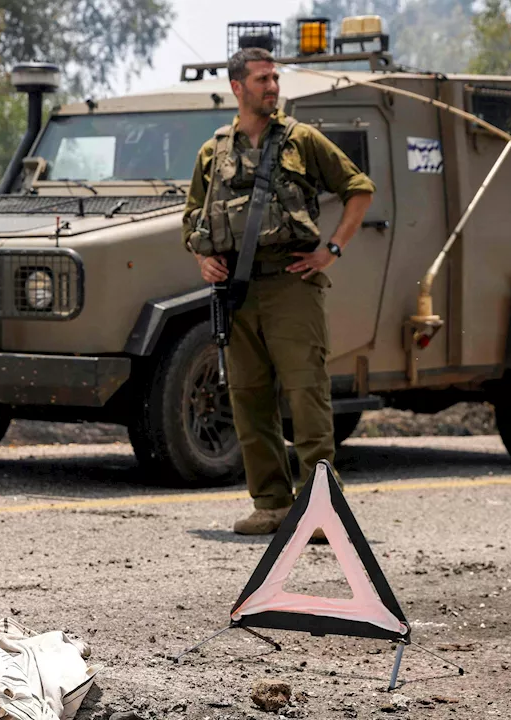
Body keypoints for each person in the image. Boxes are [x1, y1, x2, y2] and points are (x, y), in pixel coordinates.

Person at [182, 46, 375, 535]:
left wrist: (332, 248)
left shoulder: (301, 140)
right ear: (237, 87)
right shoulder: (214, 151)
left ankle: (319, 511)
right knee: (248, 398)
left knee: (306, 397)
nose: (272, 87)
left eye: (274, 78)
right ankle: (270, 503)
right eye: (262, 79)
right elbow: (192, 218)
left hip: (293, 284)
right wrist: (203, 257)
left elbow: (359, 189)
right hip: (237, 291)